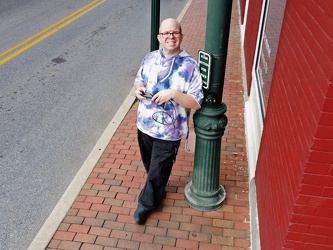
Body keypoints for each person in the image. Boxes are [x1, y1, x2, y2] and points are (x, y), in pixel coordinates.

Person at [133, 18, 204, 225]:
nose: (170, 37)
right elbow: (139, 79)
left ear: (181, 36)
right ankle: (157, 188)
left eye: (174, 33)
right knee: (151, 166)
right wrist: (138, 88)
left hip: (170, 130)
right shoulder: (150, 58)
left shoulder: (190, 66)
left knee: (158, 168)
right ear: (159, 38)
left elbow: (196, 102)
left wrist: (173, 94)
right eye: (166, 33)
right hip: (145, 124)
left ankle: (146, 204)